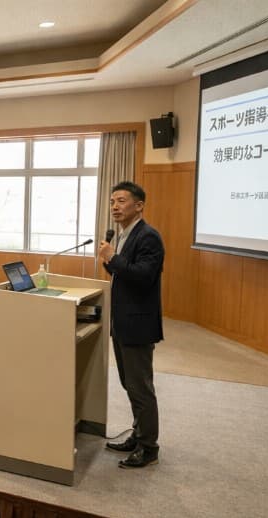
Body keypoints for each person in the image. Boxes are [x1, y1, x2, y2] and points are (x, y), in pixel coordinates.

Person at [98, 181, 165, 469]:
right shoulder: (125, 235)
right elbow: (121, 273)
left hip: (138, 324)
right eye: (112, 201)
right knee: (129, 383)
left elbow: (143, 276)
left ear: (139, 205)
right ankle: (137, 435)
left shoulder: (149, 236)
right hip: (122, 322)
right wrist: (111, 259)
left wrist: (112, 257)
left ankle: (149, 447)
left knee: (140, 387)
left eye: (121, 201)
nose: (115, 206)